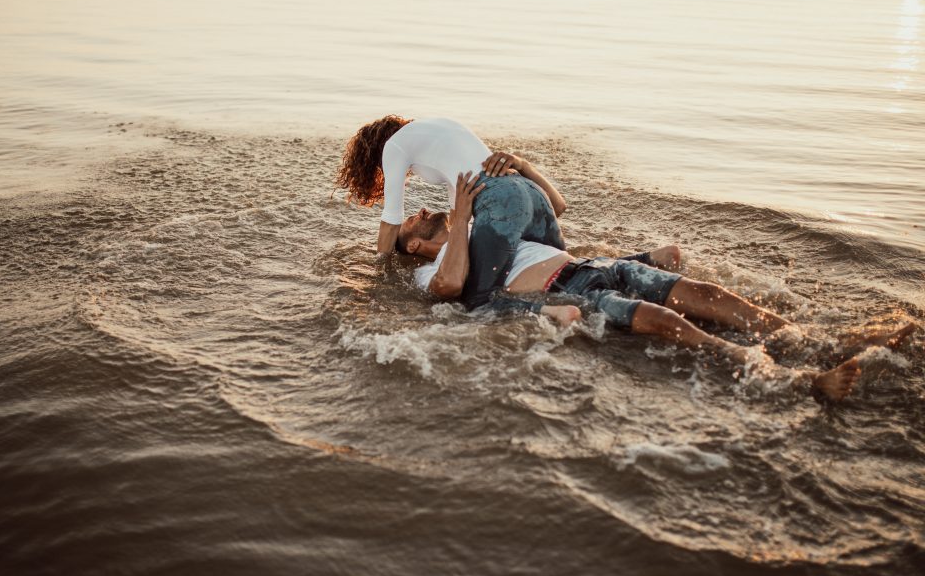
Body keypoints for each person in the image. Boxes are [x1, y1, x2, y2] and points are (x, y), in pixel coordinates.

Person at [399, 171, 916, 402]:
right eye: (409, 224)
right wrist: (461, 214)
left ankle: (815, 339)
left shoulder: (484, 223)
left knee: (711, 295)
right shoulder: (434, 264)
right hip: (571, 291)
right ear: (416, 248)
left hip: (597, 265)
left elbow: (554, 208)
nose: (419, 212)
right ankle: (803, 380)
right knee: (664, 322)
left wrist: (521, 167)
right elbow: (449, 288)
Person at [336, 116, 566, 310]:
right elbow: (458, 218)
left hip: (498, 199)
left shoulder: (394, 146)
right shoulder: (439, 136)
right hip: (528, 188)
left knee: (478, 304)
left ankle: (549, 313)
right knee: (562, 278)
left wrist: (382, 271)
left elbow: (391, 218)